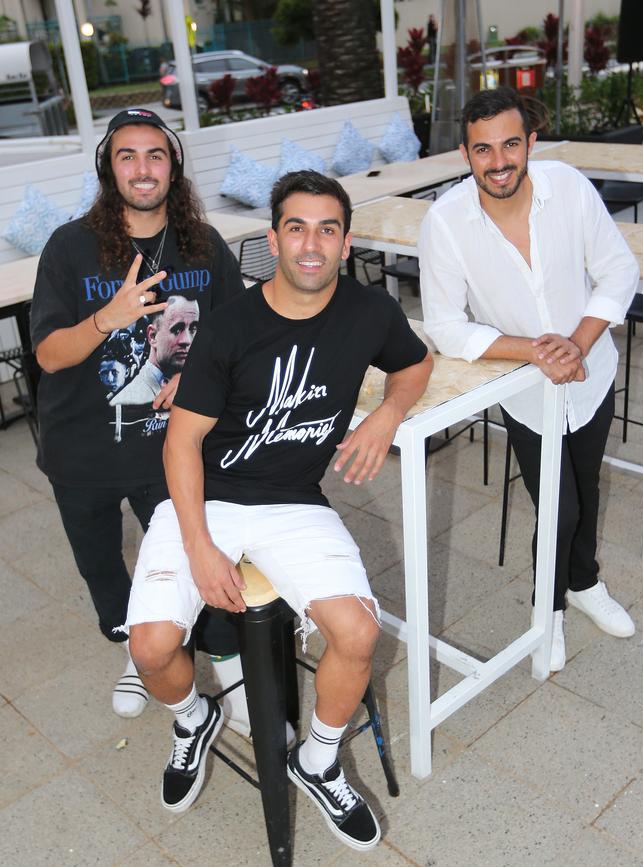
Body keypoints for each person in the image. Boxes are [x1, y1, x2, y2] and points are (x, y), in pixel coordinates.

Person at [121, 170, 432, 846]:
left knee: (356, 631)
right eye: (296, 227)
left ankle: (317, 761)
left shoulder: (370, 311)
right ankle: (192, 717)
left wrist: (387, 415)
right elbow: (182, 441)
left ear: (346, 243)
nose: (311, 243)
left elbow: (414, 363)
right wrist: (201, 545)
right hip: (207, 494)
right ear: (273, 239)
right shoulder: (232, 324)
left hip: (293, 500)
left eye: (327, 229)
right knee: (150, 647)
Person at [30, 108, 247, 722]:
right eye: (128, 155)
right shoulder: (70, 247)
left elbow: (237, 338)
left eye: (155, 154)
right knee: (104, 570)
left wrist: (192, 377)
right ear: (109, 168)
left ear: (173, 167)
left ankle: (223, 676)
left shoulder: (202, 245)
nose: (142, 168)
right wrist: (109, 318)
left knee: (187, 563)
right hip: (83, 453)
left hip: (170, 451)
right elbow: (47, 354)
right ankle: (137, 652)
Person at [419, 87, 638, 671]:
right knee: (559, 506)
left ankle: (584, 583)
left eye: (510, 144)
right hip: (524, 389)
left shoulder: (567, 187)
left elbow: (618, 272)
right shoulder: (445, 222)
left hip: (590, 372)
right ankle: (549, 612)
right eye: (483, 149)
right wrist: (538, 352)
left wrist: (578, 342)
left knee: (586, 491)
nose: (499, 161)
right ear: (466, 155)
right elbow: (444, 324)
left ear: (530, 143)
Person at [110, 295, 199, 405]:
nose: (187, 340)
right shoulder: (124, 401)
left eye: (193, 329)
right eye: (176, 330)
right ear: (152, 336)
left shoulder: (201, 385)